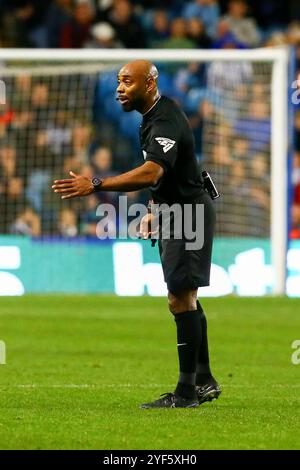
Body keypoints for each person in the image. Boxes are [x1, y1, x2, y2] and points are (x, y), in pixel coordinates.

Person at [52, 60, 221, 409]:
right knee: (183, 296)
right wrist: (152, 209)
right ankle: (203, 381)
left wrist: (97, 183)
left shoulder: (166, 119)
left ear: (150, 83)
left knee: (180, 298)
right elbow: (164, 176)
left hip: (189, 214)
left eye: (128, 81)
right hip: (176, 211)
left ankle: (187, 393)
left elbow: (151, 172)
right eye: (118, 81)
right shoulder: (152, 117)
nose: (119, 88)